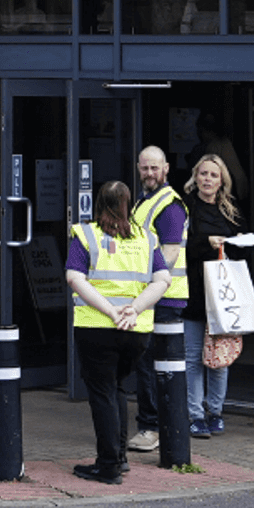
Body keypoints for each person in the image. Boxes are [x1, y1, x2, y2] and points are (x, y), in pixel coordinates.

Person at [65, 179, 171, 484]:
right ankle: (120, 458)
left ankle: (108, 465)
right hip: (136, 330)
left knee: (102, 393)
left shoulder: (86, 234)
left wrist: (111, 312)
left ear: (99, 202)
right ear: (128, 204)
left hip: (97, 327)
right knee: (117, 388)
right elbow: (162, 280)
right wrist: (134, 309)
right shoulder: (146, 238)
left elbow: (74, 277)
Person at [128, 145, 188, 453]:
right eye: (145, 168)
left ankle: (152, 428)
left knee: (151, 365)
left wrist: (149, 290)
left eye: (155, 168)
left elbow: (171, 252)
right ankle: (156, 425)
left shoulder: (169, 205)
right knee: (148, 364)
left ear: (166, 168)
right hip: (153, 297)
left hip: (163, 298)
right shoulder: (145, 201)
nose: (149, 173)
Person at [181, 154, 243, 437]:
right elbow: (180, 246)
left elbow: (242, 245)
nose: (207, 179)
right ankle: (195, 415)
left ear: (222, 181)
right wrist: (206, 243)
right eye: (203, 173)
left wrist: (234, 244)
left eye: (213, 175)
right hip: (194, 290)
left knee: (220, 356)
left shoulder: (230, 209)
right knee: (193, 357)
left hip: (223, 294)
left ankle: (215, 412)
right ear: (196, 177)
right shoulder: (185, 207)